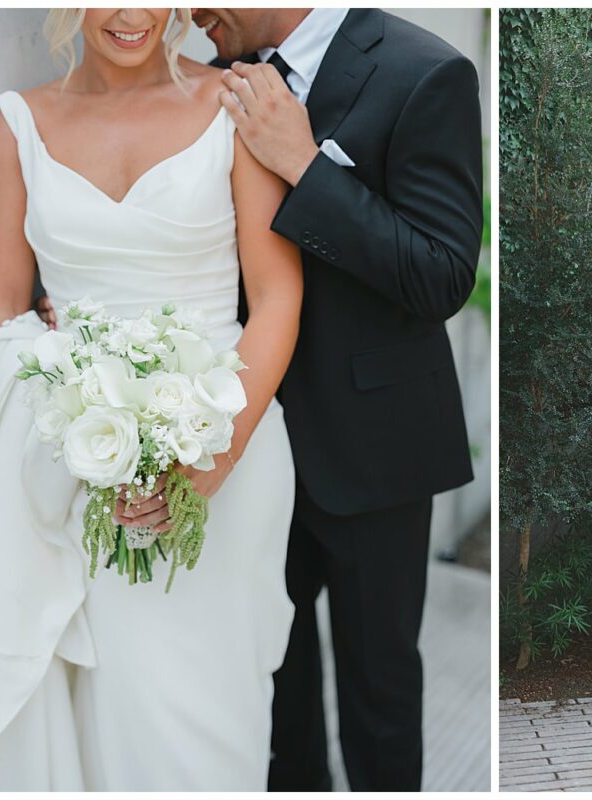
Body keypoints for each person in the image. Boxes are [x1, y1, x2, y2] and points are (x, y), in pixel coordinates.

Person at [0, 8, 303, 790]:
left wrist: (216, 455)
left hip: (228, 459)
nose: (131, 14)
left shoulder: (235, 107)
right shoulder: (15, 129)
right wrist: (83, 416)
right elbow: (0, 314)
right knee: (115, 720)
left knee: (217, 726)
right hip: (88, 468)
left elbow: (275, 298)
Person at [188, 8, 483, 791]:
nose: (188, 12)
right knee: (272, 682)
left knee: (378, 695)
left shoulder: (427, 72)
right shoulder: (212, 80)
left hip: (375, 449)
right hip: (244, 443)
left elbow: (441, 276)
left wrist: (306, 166)